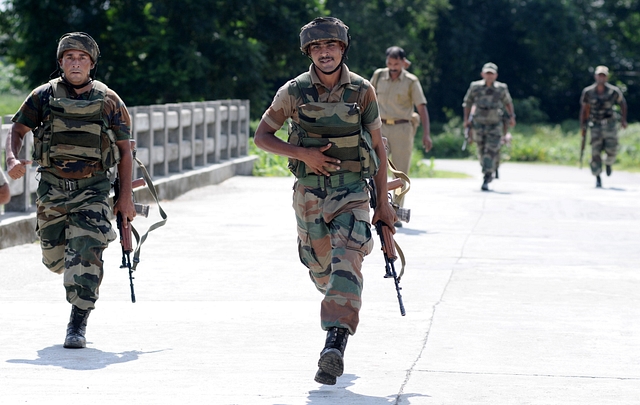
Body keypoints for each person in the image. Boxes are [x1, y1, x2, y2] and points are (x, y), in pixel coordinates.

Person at [254, 17, 397, 385]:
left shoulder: (363, 91)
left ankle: (334, 343)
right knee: (322, 269)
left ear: (343, 49)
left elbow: (378, 148)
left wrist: (383, 204)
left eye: (331, 46)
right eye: (317, 47)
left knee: (348, 259)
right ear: (308, 52)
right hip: (309, 195)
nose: (325, 53)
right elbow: (263, 136)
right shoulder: (294, 91)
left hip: (351, 191)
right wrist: (304, 154)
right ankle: (334, 297)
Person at [5, 32, 135, 349]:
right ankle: (70, 260)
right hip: (52, 188)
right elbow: (18, 129)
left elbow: (126, 150)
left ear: (91, 64)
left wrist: (125, 196)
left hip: (93, 187)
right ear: (61, 62)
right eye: (69, 57)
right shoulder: (42, 97)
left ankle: (78, 321)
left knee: (87, 252)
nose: (75, 63)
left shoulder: (108, 100)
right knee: (54, 259)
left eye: (82, 58)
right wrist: (11, 158)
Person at [370, 46, 432, 215]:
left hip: (402, 129)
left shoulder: (411, 81)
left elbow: (421, 107)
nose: (393, 67)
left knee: (399, 172)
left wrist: (426, 134)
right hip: (379, 127)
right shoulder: (378, 75)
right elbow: (368, 98)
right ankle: (378, 205)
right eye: (389, 63)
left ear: (404, 63)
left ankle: (396, 209)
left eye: (396, 63)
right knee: (375, 167)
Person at [462, 62, 516, 191]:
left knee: (490, 150)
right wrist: (466, 120)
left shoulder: (501, 88)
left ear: (496, 75)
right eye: (487, 73)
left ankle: (487, 176)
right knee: (481, 151)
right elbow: (467, 103)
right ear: (482, 74)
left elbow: (508, 103)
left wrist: (512, 116)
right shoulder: (475, 87)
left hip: (495, 125)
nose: (489, 76)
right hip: (479, 124)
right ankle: (490, 168)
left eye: (492, 74)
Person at [579, 65, 628, 188]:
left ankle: (608, 163)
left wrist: (623, 120)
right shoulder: (588, 92)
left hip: (610, 125)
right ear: (595, 76)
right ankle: (598, 177)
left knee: (612, 150)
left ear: (607, 77)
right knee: (595, 152)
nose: (601, 77)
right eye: (599, 75)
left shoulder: (613, 91)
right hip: (595, 126)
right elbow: (584, 109)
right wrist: (582, 126)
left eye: (603, 75)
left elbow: (623, 104)